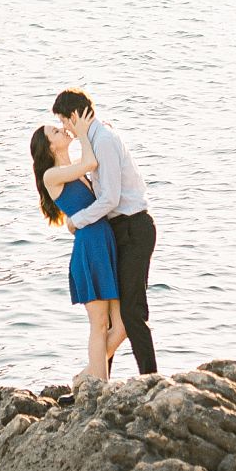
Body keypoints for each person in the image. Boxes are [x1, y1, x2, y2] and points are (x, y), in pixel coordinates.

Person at [51, 87, 157, 374]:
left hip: (134, 228)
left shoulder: (104, 141)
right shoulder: (94, 140)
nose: (64, 128)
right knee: (111, 320)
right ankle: (97, 379)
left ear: (74, 116)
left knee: (132, 313)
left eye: (63, 121)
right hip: (116, 231)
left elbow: (109, 198)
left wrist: (77, 221)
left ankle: (150, 379)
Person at [28, 119, 127, 381]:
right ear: (48, 147)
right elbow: (91, 162)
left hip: (105, 243)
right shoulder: (52, 175)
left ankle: (85, 377)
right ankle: (100, 386)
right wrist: (83, 133)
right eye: (55, 131)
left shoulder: (75, 170)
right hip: (89, 249)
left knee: (122, 326)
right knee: (99, 325)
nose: (61, 130)